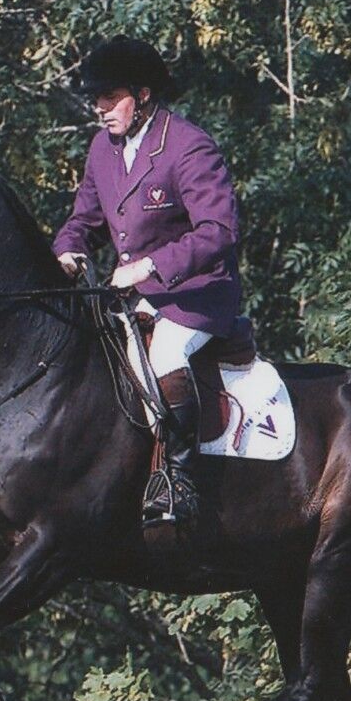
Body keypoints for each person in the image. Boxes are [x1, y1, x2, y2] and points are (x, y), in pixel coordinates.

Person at [52, 36, 244, 528]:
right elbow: (86, 220)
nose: (99, 109)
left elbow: (219, 231)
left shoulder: (188, 145)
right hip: (131, 299)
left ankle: (181, 481)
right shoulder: (103, 148)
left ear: (142, 95)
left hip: (194, 296)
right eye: (95, 99)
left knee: (165, 357)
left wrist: (150, 266)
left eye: (109, 98)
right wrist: (66, 249)